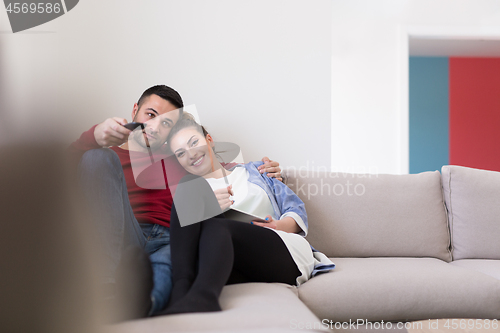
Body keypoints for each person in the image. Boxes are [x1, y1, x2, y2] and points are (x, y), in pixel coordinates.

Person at [69, 85, 283, 319]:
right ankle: (106, 291)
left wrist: (261, 170)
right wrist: (94, 136)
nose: (154, 127)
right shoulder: (106, 157)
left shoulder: (177, 156)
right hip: (124, 233)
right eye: (150, 115)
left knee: (170, 262)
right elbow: (56, 172)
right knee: (96, 156)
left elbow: (218, 167)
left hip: (172, 237)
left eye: (166, 124)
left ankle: (142, 304)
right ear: (135, 110)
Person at [161, 116, 335, 315]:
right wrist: (206, 209)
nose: (191, 154)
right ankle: (181, 292)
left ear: (209, 139)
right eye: (181, 153)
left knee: (217, 226)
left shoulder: (256, 170)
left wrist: (278, 225)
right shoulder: (190, 193)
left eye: (194, 142)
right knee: (189, 191)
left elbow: (295, 209)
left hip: (280, 249)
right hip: (232, 259)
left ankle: (203, 297)